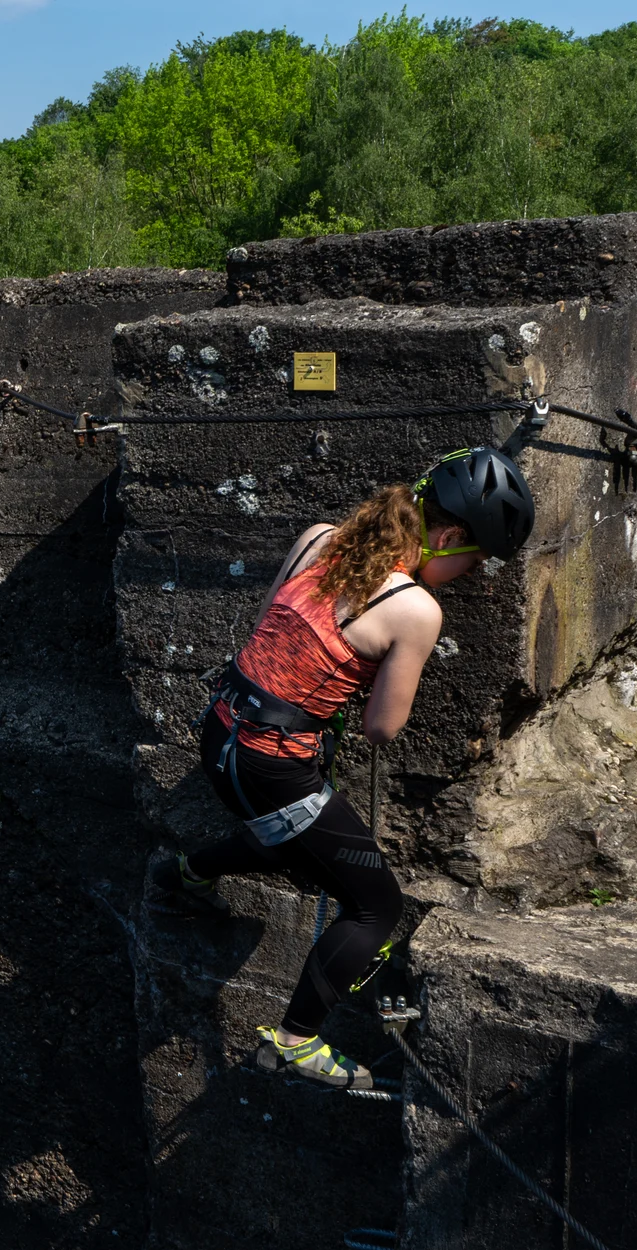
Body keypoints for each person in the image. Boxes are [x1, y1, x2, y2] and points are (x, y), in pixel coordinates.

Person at [151, 446, 535, 1089]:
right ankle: (297, 1040)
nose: (468, 575)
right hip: (272, 764)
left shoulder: (320, 540)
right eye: (472, 562)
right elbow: (381, 727)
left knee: (303, 851)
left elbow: (268, 629)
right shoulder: (416, 610)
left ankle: (187, 875)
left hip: (221, 729)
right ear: (447, 538)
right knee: (375, 905)